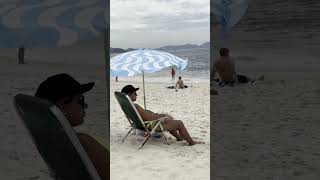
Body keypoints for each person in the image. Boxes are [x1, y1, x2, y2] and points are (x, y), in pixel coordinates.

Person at [34, 73, 109, 180]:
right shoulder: (82, 143)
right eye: (80, 100)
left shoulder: (52, 142)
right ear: (62, 106)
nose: (86, 105)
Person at [121, 85, 203, 146]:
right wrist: (163, 116)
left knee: (170, 121)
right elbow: (150, 118)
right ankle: (191, 142)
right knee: (179, 123)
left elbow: (145, 116)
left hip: (143, 124)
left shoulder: (128, 106)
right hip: (151, 125)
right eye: (135, 93)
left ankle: (180, 138)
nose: (136, 95)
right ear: (129, 94)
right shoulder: (136, 106)